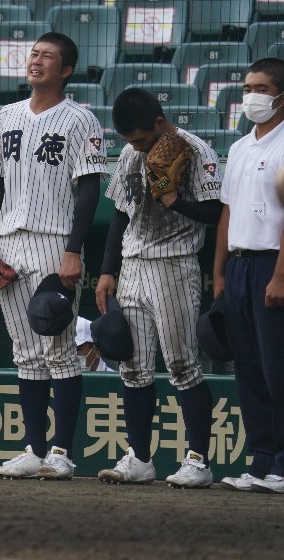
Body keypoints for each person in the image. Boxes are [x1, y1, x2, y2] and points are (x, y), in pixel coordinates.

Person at [0, 32, 108, 480]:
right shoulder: (7, 114)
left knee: (59, 348)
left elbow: (89, 188)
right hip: (10, 241)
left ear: (65, 70)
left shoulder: (79, 120)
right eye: (34, 54)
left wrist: (73, 251)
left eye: (48, 56)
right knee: (26, 353)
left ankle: (62, 453)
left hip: (54, 242)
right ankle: (33, 448)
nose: (37, 61)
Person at [94, 88, 222, 488]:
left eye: (141, 139)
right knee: (133, 368)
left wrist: (172, 199)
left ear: (160, 123)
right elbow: (119, 211)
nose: (135, 147)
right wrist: (107, 270)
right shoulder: (132, 155)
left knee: (183, 366)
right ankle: (140, 458)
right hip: (133, 266)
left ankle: (198, 460)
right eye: (129, 141)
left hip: (175, 265)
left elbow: (216, 212)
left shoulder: (196, 150)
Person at [213, 58, 284, 493]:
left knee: (277, 367)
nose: (250, 96)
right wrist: (219, 272)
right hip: (239, 265)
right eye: (245, 88)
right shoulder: (239, 147)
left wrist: (280, 275)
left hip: (271, 264)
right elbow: (227, 211)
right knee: (250, 369)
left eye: (260, 87)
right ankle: (260, 461)